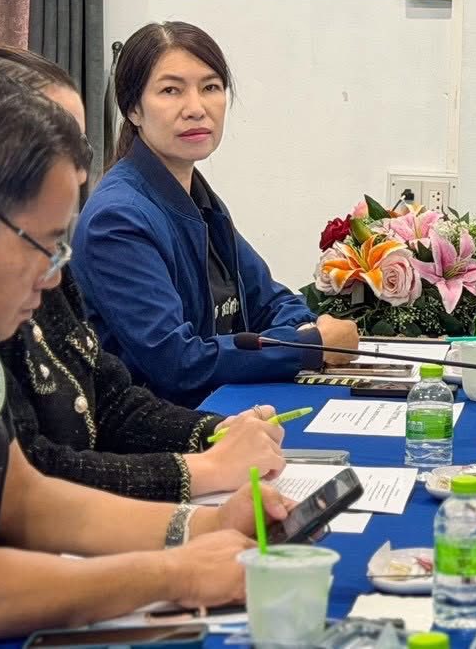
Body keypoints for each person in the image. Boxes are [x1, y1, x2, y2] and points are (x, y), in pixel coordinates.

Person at [0, 71, 288, 643]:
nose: (55, 278)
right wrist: (175, 574)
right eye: (45, 246)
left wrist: (204, 525)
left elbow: (24, 500)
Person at [0, 46, 286, 502]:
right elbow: (31, 477)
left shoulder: (42, 257)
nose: (79, 169)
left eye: (79, 146)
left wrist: (217, 431)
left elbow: (107, 399)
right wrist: (201, 472)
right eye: (52, 143)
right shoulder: (112, 217)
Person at [74, 21, 358, 407]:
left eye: (210, 87)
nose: (196, 109)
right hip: (163, 428)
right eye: (171, 90)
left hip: (222, 407)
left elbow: (270, 302)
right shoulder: (118, 219)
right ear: (134, 109)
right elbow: (177, 362)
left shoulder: (196, 196)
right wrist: (308, 346)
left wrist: (306, 334)